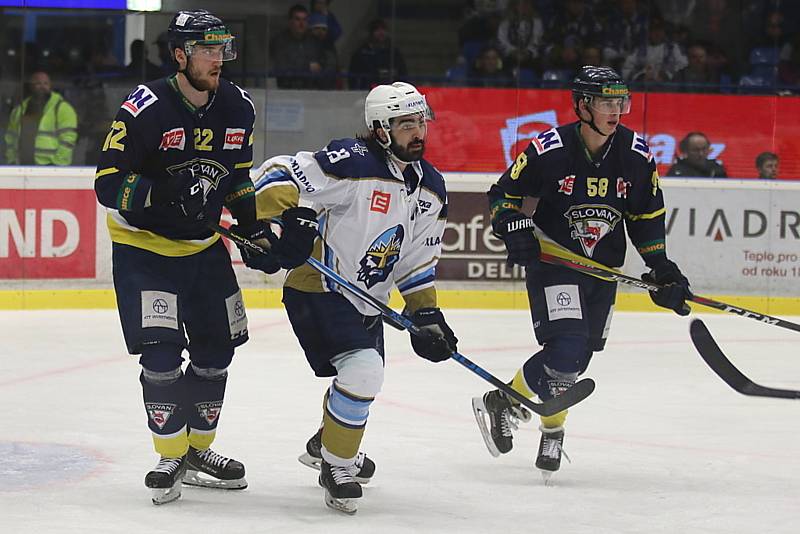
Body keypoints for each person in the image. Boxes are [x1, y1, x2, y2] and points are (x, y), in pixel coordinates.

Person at [234, 82, 457, 513]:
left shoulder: (431, 187)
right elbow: (278, 173)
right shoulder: (351, 163)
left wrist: (427, 314)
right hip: (319, 289)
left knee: (358, 379)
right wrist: (280, 222)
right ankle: (337, 466)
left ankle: (327, 443)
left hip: (368, 299)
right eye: (405, 124)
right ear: (379, 129)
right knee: (364, 370)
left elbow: (415, 261)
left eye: (420, 122)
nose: (417, 132)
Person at [471, 66, 691, 482]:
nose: (617, 110)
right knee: (567, 345)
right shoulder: (549, 149)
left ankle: (547, 424)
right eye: (607, 102)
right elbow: (504, 195)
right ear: (582, 105)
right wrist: (513, 225)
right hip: (555, 263)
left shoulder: (637, 155)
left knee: (575, 361)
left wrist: (661, 267)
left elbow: (646, 216)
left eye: (621, 102)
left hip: (603, 270)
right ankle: (510, 401)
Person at [93, 10, 261, 505]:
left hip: (204, 248)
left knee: (217, 352)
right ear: (180, 54)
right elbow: (107, 184)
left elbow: (240, 180)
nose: (219, 60)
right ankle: (170, 453)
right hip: (145, 250)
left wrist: (253, 231)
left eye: (223, 49)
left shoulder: (237, 106)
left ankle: (198, 451)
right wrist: (163, 190)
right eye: (208, 50)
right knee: (162, 354)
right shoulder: (145, 106)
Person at [4, 71, 78, 165]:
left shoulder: (63, 108)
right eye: (38, 83)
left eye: (46, 83)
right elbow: (11, 138)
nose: (42, 86)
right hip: (22, 165)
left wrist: (57, 163)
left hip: (51, 166)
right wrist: (12, 160)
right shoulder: (19, 110)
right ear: (31, 86)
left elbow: (68, 139)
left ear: (50, 86)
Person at [348, 19, 408, 90]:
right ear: (371, 32)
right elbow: (353, 75)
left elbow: (402, 72)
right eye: (377, 30)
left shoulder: (393, 52)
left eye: (383, 29)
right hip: (367, 90)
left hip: (390, 90)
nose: (381, 32)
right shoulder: (361, 52)